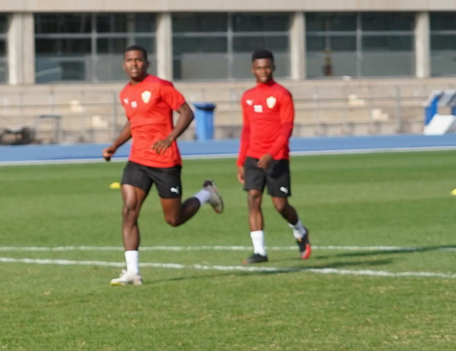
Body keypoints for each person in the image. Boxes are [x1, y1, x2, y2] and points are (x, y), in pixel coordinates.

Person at [101, 45, 223, 285]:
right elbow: (133, 122)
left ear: (147, 63)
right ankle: (132, 272)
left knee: (173, 219)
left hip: (165, 161)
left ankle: (205, 194)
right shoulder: (125, 93)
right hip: (138, 160)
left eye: (138, 60)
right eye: (129, 60)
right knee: (129, 210)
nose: (134, 64)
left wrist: (170, 137)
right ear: (124, 65)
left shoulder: (160, 86)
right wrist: (115, 145)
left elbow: (186, 113)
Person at [238, 49, 311, 264]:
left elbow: (287, 127)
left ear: (273, 68)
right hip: (253, 157)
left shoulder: (282, 94)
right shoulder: (248, 97)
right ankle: (260, 251)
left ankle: (299, 230)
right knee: (253, 199)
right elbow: (247, 130)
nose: (263, 71)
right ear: (253, 69)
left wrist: (272, 153)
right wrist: (240, 161)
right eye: (259, 67)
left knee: (280, 204)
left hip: (276, 158)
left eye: (267, 67)